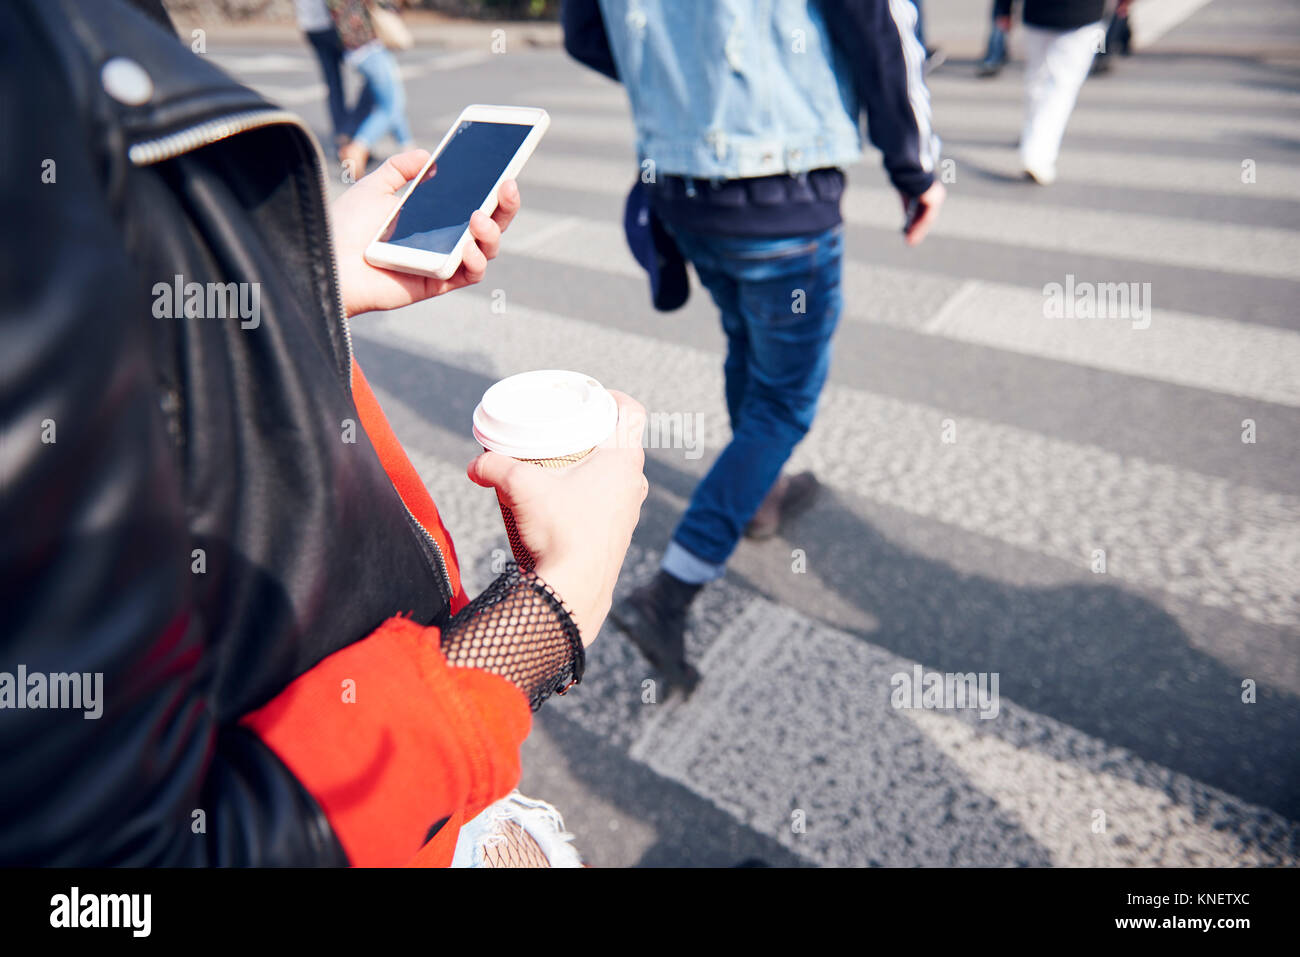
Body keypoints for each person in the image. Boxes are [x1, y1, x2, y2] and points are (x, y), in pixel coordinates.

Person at [1, 0, 648, 866]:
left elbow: (135, 346)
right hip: (382, 794)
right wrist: (546, 613)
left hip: (379, 736)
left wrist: (292, 285)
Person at [563, 0, 945, 693]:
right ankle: (668, 594)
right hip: (781, 187)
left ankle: (761, 494)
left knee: (745, 337)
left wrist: (681, 90)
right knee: (782, 403)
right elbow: (877, 27)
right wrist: (914, 168)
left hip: (680, 188)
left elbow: (586, 34)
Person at [996, 0, 1107, 184]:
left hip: (1038, 14)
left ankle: (1032, 140)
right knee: (1059, 87)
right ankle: (1037, 154)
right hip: (1080, 15)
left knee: (1037, 82)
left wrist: (1003, 9)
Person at [327, 0, 415, 174]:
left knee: (392, 100)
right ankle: (358, 146)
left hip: (357, 47)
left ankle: (408, 147)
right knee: (391, 106)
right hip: (368, 48)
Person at [295, 0, 374, 151]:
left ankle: (343, 137)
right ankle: (349, 131)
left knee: (333, 85)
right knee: (374, 80)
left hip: (311, 26)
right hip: (336, 26)